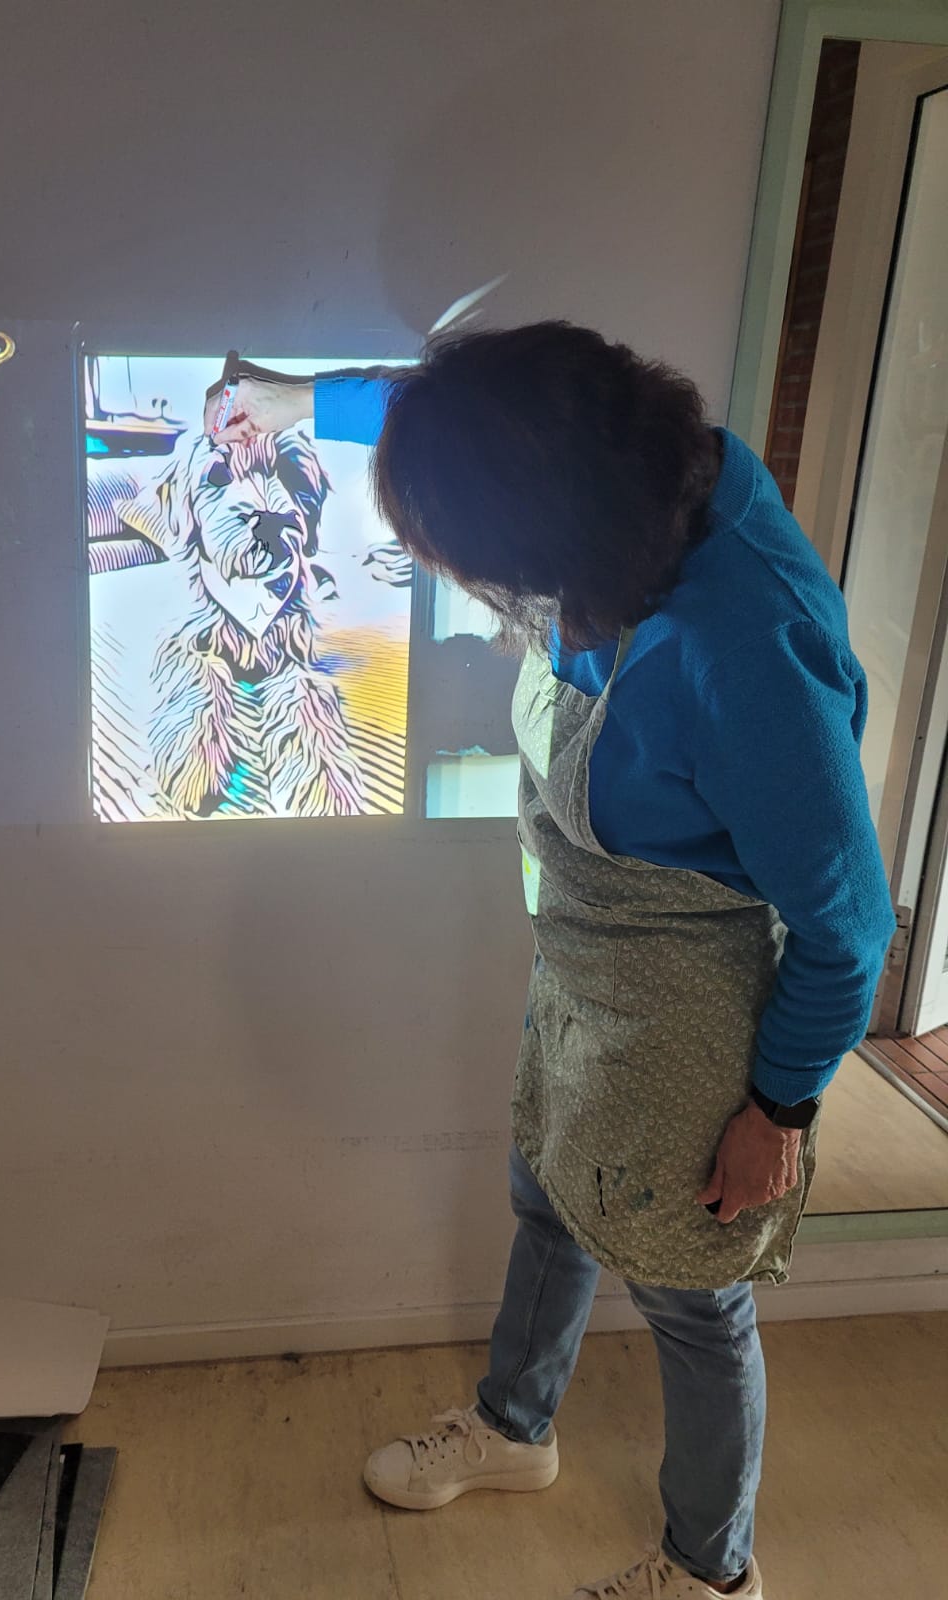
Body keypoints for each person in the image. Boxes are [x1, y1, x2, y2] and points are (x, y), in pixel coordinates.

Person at [203, 324, 895, 1600]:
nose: (483, 598)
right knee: (550, 1200)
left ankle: (712, 1571)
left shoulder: (747, 648)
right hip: (582, 969)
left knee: (694, 1297)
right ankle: (517, 1426)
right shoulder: (619, 467)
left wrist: (779, 1107)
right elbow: (443, 413)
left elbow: (851, 923)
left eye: (485, 572)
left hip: (695, 1025)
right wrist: (287, 399)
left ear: (555, 534)